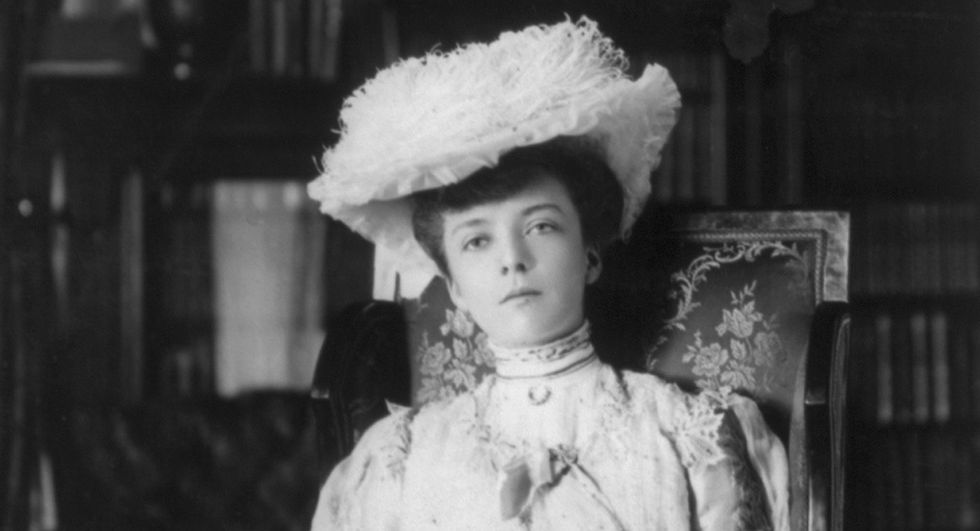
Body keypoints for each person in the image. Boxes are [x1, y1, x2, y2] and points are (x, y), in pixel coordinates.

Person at [307, 16, 789, 530]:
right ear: (455, 288)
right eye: (477, 240)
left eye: (540, 226)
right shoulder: (398, 458)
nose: (512, 259)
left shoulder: (688, 436)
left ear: (590, 256)